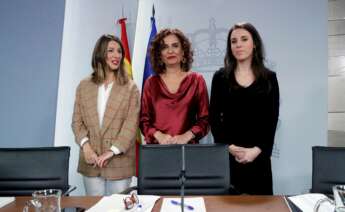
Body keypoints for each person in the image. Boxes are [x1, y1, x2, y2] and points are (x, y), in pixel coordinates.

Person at [209, 22, 280, 195]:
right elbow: (214, 118)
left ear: (254, 43)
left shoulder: (269, 78)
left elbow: (271, 120)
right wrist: (229, 147)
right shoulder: (220, 77)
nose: (238, 44)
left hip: (258, 158)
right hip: (228, 158)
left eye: (244, 39)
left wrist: (256, 151)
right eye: (233, 41)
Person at [72, 34, 140, 196]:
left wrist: (112, 151)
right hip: (91, 161)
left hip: (119, 162)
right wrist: (86, 147)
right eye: (111, 50)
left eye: (119, 51)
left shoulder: (131, 88)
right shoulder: (84, 86)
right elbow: (77, 121)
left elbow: (131, 125)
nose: (117, 55)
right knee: (95, 207)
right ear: (100, 53)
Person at [140, 28, 209, 144]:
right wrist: (158, 135)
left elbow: (205, 120)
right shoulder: (151, 83)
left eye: (175, 46)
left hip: (188, 152)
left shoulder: (197, 81)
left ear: (183, 52)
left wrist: (187, 136)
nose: (170, 51)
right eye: (164, 47)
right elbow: (143, 121)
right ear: (159, 55)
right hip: (157, 152)